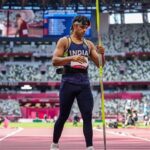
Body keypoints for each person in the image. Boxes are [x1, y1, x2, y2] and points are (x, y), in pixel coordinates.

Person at [50, 16, 105, 150]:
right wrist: (71, 57)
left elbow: (100, 64)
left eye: (86, 27)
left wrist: (102, 54)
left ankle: (90, 147)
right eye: (82, 27)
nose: (84, 30)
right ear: (75, 26)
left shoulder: (89, 44)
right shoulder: (65, 41)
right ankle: (55, 144)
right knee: (63, 116)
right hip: (68, 82)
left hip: (84, 84)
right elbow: (54, 61)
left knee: (87, 115)